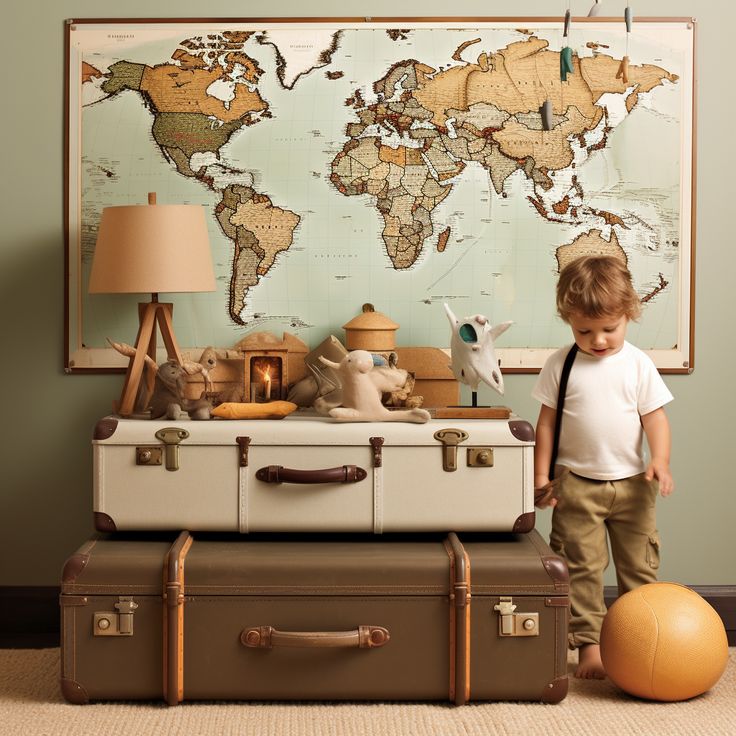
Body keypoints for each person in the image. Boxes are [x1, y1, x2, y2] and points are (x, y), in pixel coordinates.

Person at [532, 255, 674, 679]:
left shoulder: (637, 364)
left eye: (609, 329)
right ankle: (589, 647)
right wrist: (542, 477)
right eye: (584, 331)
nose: (597, 341)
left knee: (639, 567)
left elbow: (655, 418)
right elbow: (546, 424)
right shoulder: (562, 365)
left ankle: (641, 641)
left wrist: (660, 461)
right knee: (580, 569)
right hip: (576, 485)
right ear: (568, 321)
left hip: (632, 485)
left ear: (628, 314)